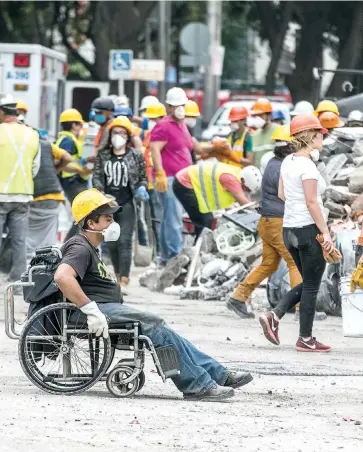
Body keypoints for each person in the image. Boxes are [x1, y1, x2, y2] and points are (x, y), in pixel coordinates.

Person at [54, 188, 253, 401]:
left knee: (160, 326)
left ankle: (217, 374)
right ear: (91, 224)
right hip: (91, 311)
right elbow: (63, 277)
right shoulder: (80, 247)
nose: (113, 225)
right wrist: (90, 310)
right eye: (107, 219)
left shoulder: (91, 247)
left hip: (104, 307)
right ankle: (196, 385)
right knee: (154, 325)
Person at [258, 114, 333, 352]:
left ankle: (275, 316)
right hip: (308, 230)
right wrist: (326, 233)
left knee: (308, 282)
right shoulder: (307, 166)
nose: (323, 136)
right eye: (320, 133)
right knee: (312, 286)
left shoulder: (288, 161)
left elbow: (282, 194)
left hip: (289, 229)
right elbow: (312, 202)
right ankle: (305, 338)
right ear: (310, 136)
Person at [227, 125, 302, 319]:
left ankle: (238, 297)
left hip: (267, 221)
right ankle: (303, 307)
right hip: (278, 221)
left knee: (269, 264)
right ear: (291, 146)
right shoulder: (284, 167)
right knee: (294, 262)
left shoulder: (272, 163)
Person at [92, 116, 148, 294]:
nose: (119, 136)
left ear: (128, 136)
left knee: (125, 240)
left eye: (123, 133)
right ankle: (116, 276)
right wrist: (102, 194)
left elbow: (143, 177)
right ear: (110, 135)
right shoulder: (103, 155)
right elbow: (97, 177)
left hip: (127, 202)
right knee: (111, 241)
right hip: (107, 203)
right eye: (115, 132)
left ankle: (124, 278)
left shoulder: (136, 155)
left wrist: (141, 188)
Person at [149, 87, 195, 264]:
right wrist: (159, 172)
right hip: (168, 178)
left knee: (169, 218)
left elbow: (189, 146)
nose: (180, 109)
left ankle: (165, 257)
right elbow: (155, 148)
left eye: (182, 105)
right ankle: (175, 257)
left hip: (180, 178)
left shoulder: (181, 125)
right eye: (176, 105)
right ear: (168, 107)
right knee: (173, 219)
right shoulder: (164, 126)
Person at [0, 94, 40, 282]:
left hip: (1, 195)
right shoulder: (32, 134)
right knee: (19, 240)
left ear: (1, 112)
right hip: (23, 195)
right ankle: (17, 278)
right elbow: (35, 167)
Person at [173, 162, 261, 240]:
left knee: (205, 220)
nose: (245, 191)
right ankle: (200, 251)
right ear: (243, 181)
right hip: (185, 183)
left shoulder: (236, 174)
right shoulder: (232, 179)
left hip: (185, 182)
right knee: (205, 221)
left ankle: (200, 247)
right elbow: (246, 204)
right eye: (246, 189)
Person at [27, 141, 72, 254]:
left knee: (28, 235)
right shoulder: (45, 144)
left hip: (33, 196)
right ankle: (45, 264)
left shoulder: (19, 145)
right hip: (53, 195)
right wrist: (56, 168)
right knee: (49, 236)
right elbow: (67, 157)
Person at [56, 108, 91, 241]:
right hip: (72, 181)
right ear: (73, 125)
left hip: (72, 181)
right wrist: (80, 170)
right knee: (84, 214)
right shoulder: (68, 141)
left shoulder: (64, 139)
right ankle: (69, 244)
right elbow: (63, 162)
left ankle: (72, 243)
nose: (81, 127)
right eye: (80, 124)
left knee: (84, 214)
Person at [250, 98, 280, 170]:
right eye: (256, 115)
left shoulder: (278, 131)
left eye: (260, 115)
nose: (258, 118)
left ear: (269, 115)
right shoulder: (255, 135)